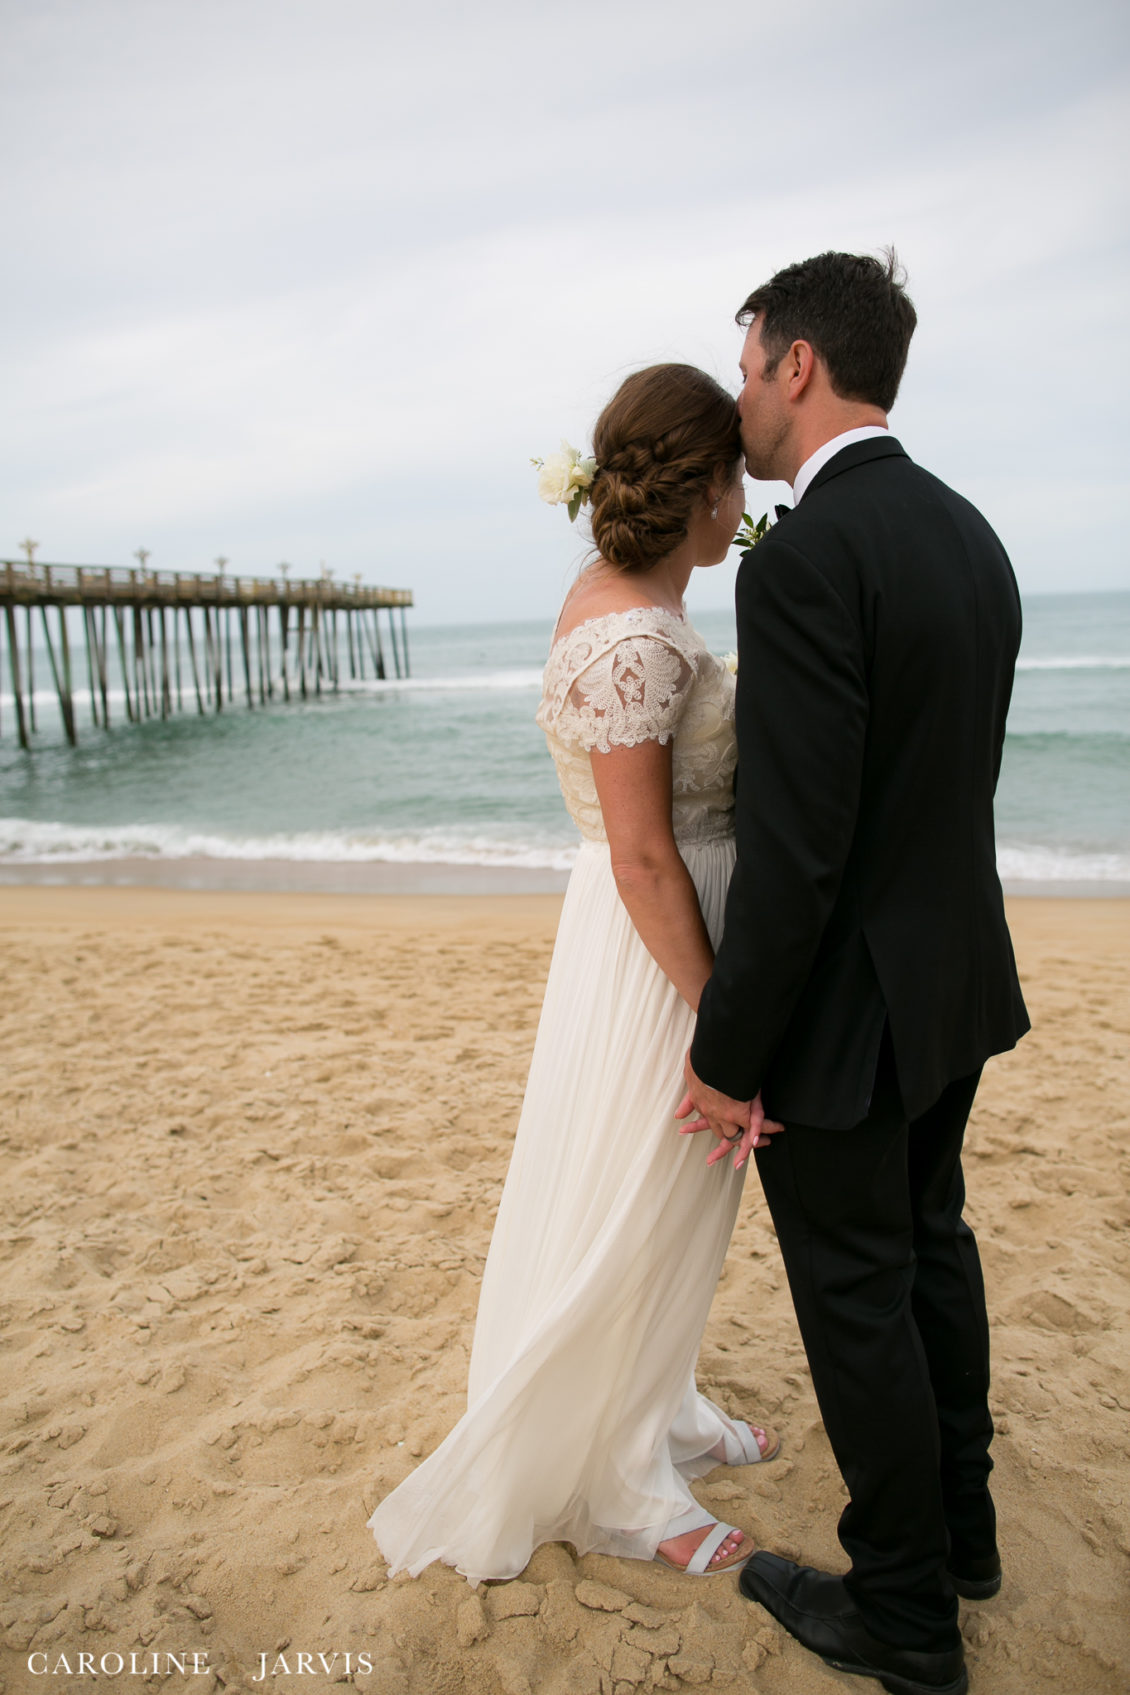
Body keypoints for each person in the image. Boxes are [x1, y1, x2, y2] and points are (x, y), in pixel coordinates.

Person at [679, 251, 1030, 1695]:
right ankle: (961, 1534)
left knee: (858, 1293)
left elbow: (798, 849)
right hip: (952, 983)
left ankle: (902, 1614)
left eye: (750, 360)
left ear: (798, 366)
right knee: (929, 1243)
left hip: (849, 1013)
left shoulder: (810, 555)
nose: (743, 390)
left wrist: (724, 1046)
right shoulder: (970, 532)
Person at [367, 363, 781, 1584]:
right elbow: (647, 855)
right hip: (656, 938)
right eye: (735, 481)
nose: (743, 502)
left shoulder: (617, 594)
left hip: (630, 922)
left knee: (662, 1195)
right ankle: (624, 1487)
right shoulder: (632, 633)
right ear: (700, 490)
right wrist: (724, 1018)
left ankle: (662, 1408)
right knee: (646, 1193)